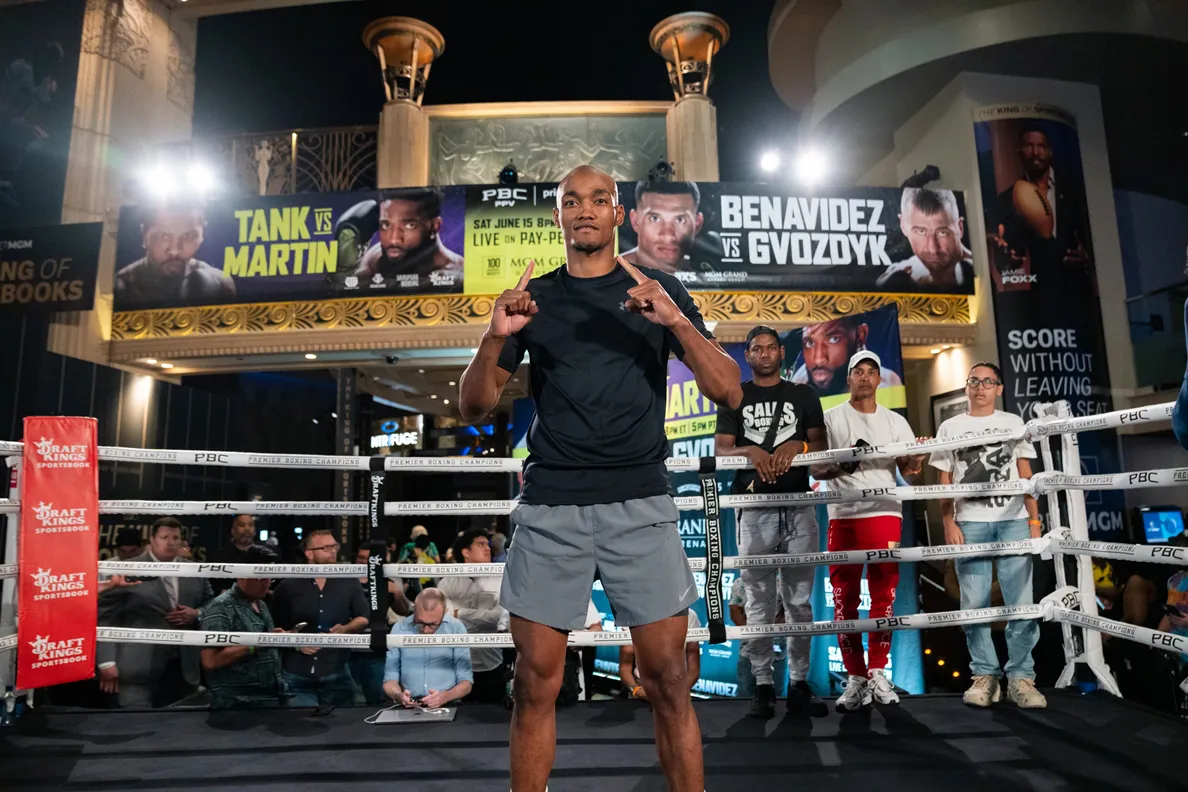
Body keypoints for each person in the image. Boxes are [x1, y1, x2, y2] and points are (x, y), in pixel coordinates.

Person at [459, 164, 740, 792]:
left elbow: (728, 390)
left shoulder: (659, 289)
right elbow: (472, 406)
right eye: (571, 200)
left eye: (598, 199)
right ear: (558, 215)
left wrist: (675, 321)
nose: (584, 209)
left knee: (669, 681)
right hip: (552, 506)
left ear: (618, 213)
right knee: (535, 684)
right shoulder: (534, 299)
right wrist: (493, 337)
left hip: (639, 502)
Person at [714, 325, 827, 719]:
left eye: (770, 348)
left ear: (781, 352)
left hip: (797, 503)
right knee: (758, 602)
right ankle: (762, 685)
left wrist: (799, 444)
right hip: (753, 505)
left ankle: (799, 683)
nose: (764, 354)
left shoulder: (803, 394)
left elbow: (822, 446)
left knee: (799, 602)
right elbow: (722, 451)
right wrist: (753, 452)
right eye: (756, 348)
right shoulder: (734, 395)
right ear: (747, 355)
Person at [811, 350, 928, 711]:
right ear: (848, 378)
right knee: (844, 599)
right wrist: (848, 461)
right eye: (858, 371)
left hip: (884, 513)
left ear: (879, 379)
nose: (864, 377)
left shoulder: (894, 421)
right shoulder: (830, 418)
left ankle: (877, 670)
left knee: (883, 596)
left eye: (871, 372)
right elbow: (817, 469)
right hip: (844, 513)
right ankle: (856, 676)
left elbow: (910, 471)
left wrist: (919, 457)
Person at [930, 362, 1046, 709]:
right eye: (974, 381)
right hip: (970, 522)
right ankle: (985, 675)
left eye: (987, 381)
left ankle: (1022, 677)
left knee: (1021, 604)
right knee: (973, 606)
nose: (980, 387)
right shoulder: (950, 426)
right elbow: (944, 480)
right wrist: (949, 522)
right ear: (967, 386)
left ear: (998, 388)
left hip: (1013, 520)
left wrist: (1034, 519)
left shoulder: (1013, 423)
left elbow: (1025, 474)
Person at [97, 517, 214, 708]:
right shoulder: (128, 569)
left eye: (175, 538)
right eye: (164, 537)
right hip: (138, 666)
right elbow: (106, 616)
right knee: (135, 721)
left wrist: (197, 613)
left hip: (183, 667)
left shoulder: (194, 570)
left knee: (181, 724)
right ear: (152, 540)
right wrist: (106, 661)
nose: (170, 543)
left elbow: (212, 603)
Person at [270, 530, 368, 708]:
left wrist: (346, 628)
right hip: (297, 674)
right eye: (326, 547)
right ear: (309, 554)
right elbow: (274, 625)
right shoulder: (288, 585)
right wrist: (295, 641)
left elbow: (364, 617)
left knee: (345, 723)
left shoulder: (348, 580)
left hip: (336, 671)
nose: (333, 551)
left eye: (334, 546)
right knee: (301, 723)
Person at [990, 126, 1090, 285]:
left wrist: (1087, 256)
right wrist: (1008, 258)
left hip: (1078, 287)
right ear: (1019, 151)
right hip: (1038, 290)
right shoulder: (1006, 199)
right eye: (1029, 146)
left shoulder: (1074, 190)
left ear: (1050, 151)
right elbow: (1005, 260)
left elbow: (1093, 237)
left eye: (1041, 146)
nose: (1035, 152)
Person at [199, 548, 289, 709]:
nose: (268, 582)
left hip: (269, 697)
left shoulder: (260, 603)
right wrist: (258, 643)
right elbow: (210, 661)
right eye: (261, 577)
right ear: (242, 574)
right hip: (237, 704)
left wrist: (273, 638)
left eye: (271, 577)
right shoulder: (221, 607)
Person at [113, 204, 235, 307]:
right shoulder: (121, 287)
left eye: (187, 236)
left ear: (202, 235)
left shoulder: (219, 283)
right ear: (145, 235)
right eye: (164, 236)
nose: (175, 250)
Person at [438, 528, 508, 703]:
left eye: (488, 545)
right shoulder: (448, 581)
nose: (488, 548)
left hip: (491, 663)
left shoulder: (498, 579)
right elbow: (443, 619)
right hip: (455, 664)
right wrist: (480, 618)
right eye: (481, 544)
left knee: (494, 714)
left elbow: (498, 618)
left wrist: (460, 613)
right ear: (466, 552)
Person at [353, 187, 463, 292]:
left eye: (410, 225)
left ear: (435, 226)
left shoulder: (459, 273)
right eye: (386, 225)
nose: (393, 240)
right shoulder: (374, 259)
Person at [383, 588, 473, 709]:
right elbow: (390, 677)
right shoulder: (399, 628)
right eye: (420, 622)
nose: (426, 630)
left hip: (449, 704)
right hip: (408, 706)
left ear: (445, 612)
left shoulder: (456, 628)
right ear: (414, 608)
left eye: (433, 624)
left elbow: (466, 682)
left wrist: (445, 697)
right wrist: (398, 695)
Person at [876, 188, 973, 291]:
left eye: (942, 232)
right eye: (921, 231)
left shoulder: (979, 272)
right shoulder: (902, 272)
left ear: (960, 228)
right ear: (903, 226)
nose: (933, 249)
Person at [349, 545, 409, 706]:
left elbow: (404, 611)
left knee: (377, 699)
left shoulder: (384, 583)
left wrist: (396, 592)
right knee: (347, 700)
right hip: (348, 649)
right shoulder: (345, 581)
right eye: (360, 558)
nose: (363, 562)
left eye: (367, 559)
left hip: (376, 650)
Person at [788, 317, 904, 398]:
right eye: (810, 343)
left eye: (834, 339)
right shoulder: (798, 387)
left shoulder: (886, 387)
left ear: (860, 335)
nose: (818, 359)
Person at [620, 181, 704, 274]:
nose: (668, 236)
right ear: (635, 221)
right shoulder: (611, 275)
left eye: (680, 220)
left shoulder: (706, 275)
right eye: (655, 218)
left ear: (697, 224)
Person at [621, 608, 701, 700]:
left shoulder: (689, 615)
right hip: (642, 688)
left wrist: (679, 692)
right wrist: (636, 690)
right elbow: (625, 668)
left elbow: (694, 669)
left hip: (677, 688)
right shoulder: (634, 615)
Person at [210, 514, 277, 594]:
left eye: (251, 525)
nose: (247, 529)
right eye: (242, 525)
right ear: (233, 531)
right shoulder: (220, 557)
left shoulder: (269, 553)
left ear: (255, 530)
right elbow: (215, 587)